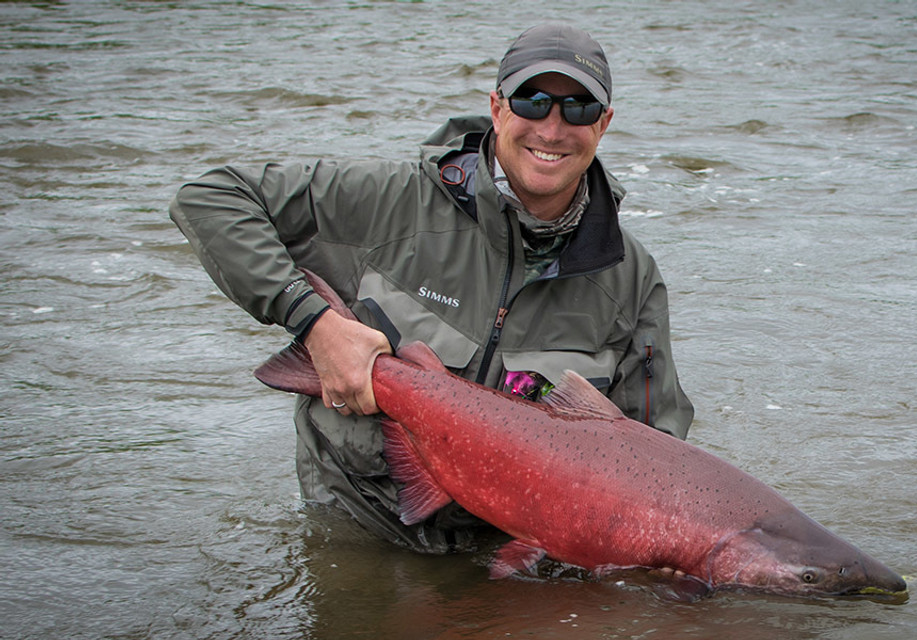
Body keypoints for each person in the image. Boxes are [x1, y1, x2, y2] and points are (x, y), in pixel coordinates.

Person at [170, 23, 693, 553]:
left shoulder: (632, 280)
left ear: (603, 124)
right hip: (357, 524)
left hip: (505, 553)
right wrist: (315, 323)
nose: (553, 129)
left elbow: (657, 449)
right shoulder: (389, 202)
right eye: (532, 101)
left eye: (578, 108)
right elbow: (213, 198)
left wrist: (667, 548)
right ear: (496, 107)